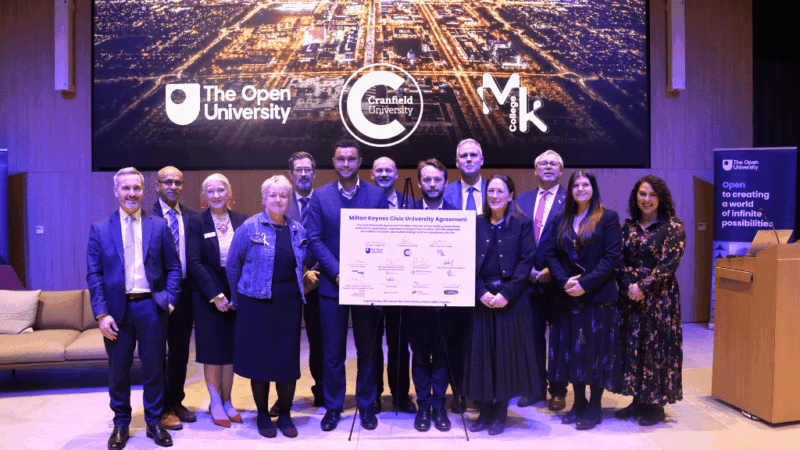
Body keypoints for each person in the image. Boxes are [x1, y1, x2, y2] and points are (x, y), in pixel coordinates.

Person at [86, 167, 181, 449]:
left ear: (144, 190)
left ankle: (153, 422)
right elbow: (95, 275)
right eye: (125, 188)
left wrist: (170, 299)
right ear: (116, 191)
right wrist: (101, 314)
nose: (131, 194)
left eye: (136, 188)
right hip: (116, 312)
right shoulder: (100, 229)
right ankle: (121, 424)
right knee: (118, 370)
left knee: (154, 368)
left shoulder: (158, 226)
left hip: (151, 308)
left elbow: (174, 267)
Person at [306, 139, 389, 431]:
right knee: (333, 353)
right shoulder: (320, 196)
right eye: (340, 159)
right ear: (333, 161)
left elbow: (382, 238)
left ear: (360, 161)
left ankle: (366, 406)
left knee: (368, 350)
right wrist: (339, 271)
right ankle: (333, 406)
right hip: (332, 285)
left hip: (368, 287)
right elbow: (314, 239)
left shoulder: (377, 196)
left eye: (351, 159)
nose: (345, 164)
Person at [227, 175, 308, 438]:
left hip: (289, 304)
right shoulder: (249, 228)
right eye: (272, 195)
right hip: (256, 304)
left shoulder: (297, 230)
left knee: (286, 362)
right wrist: (239, 300)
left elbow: (303, 265)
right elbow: (232, 266)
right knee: (260, 363)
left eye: (283, 195)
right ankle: (262, 414)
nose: (278, 200)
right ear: (264, 199)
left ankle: (284, 414)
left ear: (288, 199)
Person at [546, 170, 622, 431]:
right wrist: (565, 280)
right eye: (575, 185)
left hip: (598, 298)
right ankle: (578, 402)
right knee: (573, 352)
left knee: (596, 353)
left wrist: (585, 284)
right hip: (568, 297)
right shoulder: (561, 219)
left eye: (585, 184)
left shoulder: (608, 218)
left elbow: (612, 258)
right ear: (570, 190)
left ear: (593, 188)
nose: (580, 189)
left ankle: (595, 406)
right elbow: (551, 255)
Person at [463, 174, 539, 436]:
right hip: (482, 298)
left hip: (510, 300)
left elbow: (526, 260)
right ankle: (484, 410)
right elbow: (464, 260)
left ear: (510, 195)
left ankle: (500, 413)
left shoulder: (522, 223)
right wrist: (479, 292)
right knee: (482, 356)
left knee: (505, 357)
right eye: (490, 191)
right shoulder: (476, 223)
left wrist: (507, 293)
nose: (494, 196)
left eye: (500, 191)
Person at [614, 176, 686, 426]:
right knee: (633, 346)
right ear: (636, 196)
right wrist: (628, 287)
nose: (647, 199)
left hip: (659, 299)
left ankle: (655, 406)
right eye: (642, 194)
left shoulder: (673, 226)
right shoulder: (628, 227)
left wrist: (644, 287)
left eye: (652, 195)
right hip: (630, 297)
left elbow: (669, 264)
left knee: (656, 348)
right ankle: (637, 400)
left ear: (661, 198)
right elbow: (617, 260)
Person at [185, 174, 247, 427]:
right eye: (210, 191)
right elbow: (194, 262)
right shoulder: (196, 222)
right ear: (204, 196)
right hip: (207, 295)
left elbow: (247, 258)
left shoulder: (242, 220)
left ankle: (228, 399)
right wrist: (215, 295)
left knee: (230, 351)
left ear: (229, 192)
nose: (216, 195)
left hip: (236, 294)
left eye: (220, 190)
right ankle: (215, 401)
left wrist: (236, 292)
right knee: (212, 351)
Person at [515, 150, 570, 411]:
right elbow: (515, 238)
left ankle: (557, 390)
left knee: (558, 338)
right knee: (532, 338)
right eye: (542, 164)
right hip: (528, 281)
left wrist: (551, 269)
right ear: (535, 170)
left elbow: (573, 241)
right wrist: (526, 270)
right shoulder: (521, 200)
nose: (548, 167)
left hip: (557, 281)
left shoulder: (571, 200)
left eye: (553, 164)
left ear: (561, 171)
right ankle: (534, 388)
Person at [409, 158, 459, 432]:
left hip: (445, 302)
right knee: (419, 354)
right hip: (415, 301)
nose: (431, 184)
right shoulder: (408, 213)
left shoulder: (457, 216)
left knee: (441, 355)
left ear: (445, 182)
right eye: (426, 179)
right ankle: (423, 406)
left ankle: (439, 405)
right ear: (419, 183)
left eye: (436, 179)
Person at [150, 166, 200, 430]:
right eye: (167, 182)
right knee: (158, 352)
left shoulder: (192, 217)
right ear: (157, 185)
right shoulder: (147, 216)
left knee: (180, 353)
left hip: (186, 293)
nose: (172, 187)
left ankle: (176, 401)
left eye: (177, 182)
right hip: (157, 295)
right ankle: (161, 408)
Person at [441, 138, 487, 414]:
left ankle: (482, 392)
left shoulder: (496, 191)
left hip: (487, 277)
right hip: (454, 275)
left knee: (482, 339)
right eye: (463, 156)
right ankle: (458, 391)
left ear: (482, 159)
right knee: (456, 339)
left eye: (473, 155)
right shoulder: (444, 193)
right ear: (456, 162)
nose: (468, 159)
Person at [370, 156, 415, 414]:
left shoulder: (412, 203)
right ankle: (374, 395)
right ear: (372, 176)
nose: (384, 174)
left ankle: (400, 394)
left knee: (400, 343)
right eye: (379, 170)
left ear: (397, 174)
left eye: (389, 170)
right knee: (373, 344)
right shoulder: (364, 202)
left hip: (403, 286)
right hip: (373, 283)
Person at [280, 152, 325, 410]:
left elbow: (330, 239)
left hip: (319, 283)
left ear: (315, 173)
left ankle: (321, 392)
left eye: (308, 169)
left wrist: (314, 272)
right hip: (288, 282)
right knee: (285, 341)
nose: (304, 174)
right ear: (291, 174)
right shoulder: (280, 203)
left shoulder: (323, 201)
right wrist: (300, 273)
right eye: (299, 169)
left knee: (319, 342)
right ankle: (283, 397)